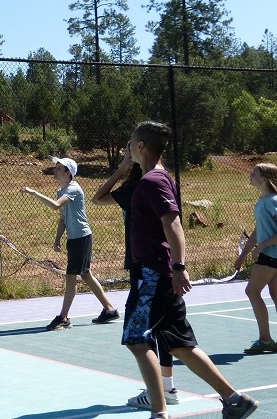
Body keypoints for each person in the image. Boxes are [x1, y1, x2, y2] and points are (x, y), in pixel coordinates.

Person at [123, 121, 258, 419]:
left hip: (152, 275)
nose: (129, 146)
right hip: (157, 272)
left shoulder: (152, 181)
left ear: (141, 146)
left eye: (132, 141)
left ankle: (159, 412)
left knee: (137, 339)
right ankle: (234, 399)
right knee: (178, 343)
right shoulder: (157, 178)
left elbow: (173, 224)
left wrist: (179, 267)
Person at [93, 143, 178, 409]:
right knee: (166, 332)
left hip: (150, 267)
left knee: (139, 336)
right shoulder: (155, 183)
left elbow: (98, 197)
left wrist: (121, 170)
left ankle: (160, 401)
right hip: (158, 265)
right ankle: (167, 389)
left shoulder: (142, 186)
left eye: (130, 150)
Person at [21, 156, 118, 331]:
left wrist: (33, 193)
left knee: (71, 277)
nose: (55, 169)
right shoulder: (61, 190)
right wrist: (58, 239)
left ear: (68, 172)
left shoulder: (73, 189)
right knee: (85, 275)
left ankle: (64, 318)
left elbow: (56, 206)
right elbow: (63, 218)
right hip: (74, 239)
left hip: (82, 237)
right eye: (56, 167)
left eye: (59, 167)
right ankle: (109, 309)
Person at [234, 162, 277, 354]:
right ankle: (266, 340)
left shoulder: (273, 201)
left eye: (255, 173)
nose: (250, 174)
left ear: (266, 178)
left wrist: (262, 247)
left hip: (271, 256)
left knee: (252, 291)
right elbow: (258, 230)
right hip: (269, 255)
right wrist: (243, 255)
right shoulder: (262, 201)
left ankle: (265, 340)